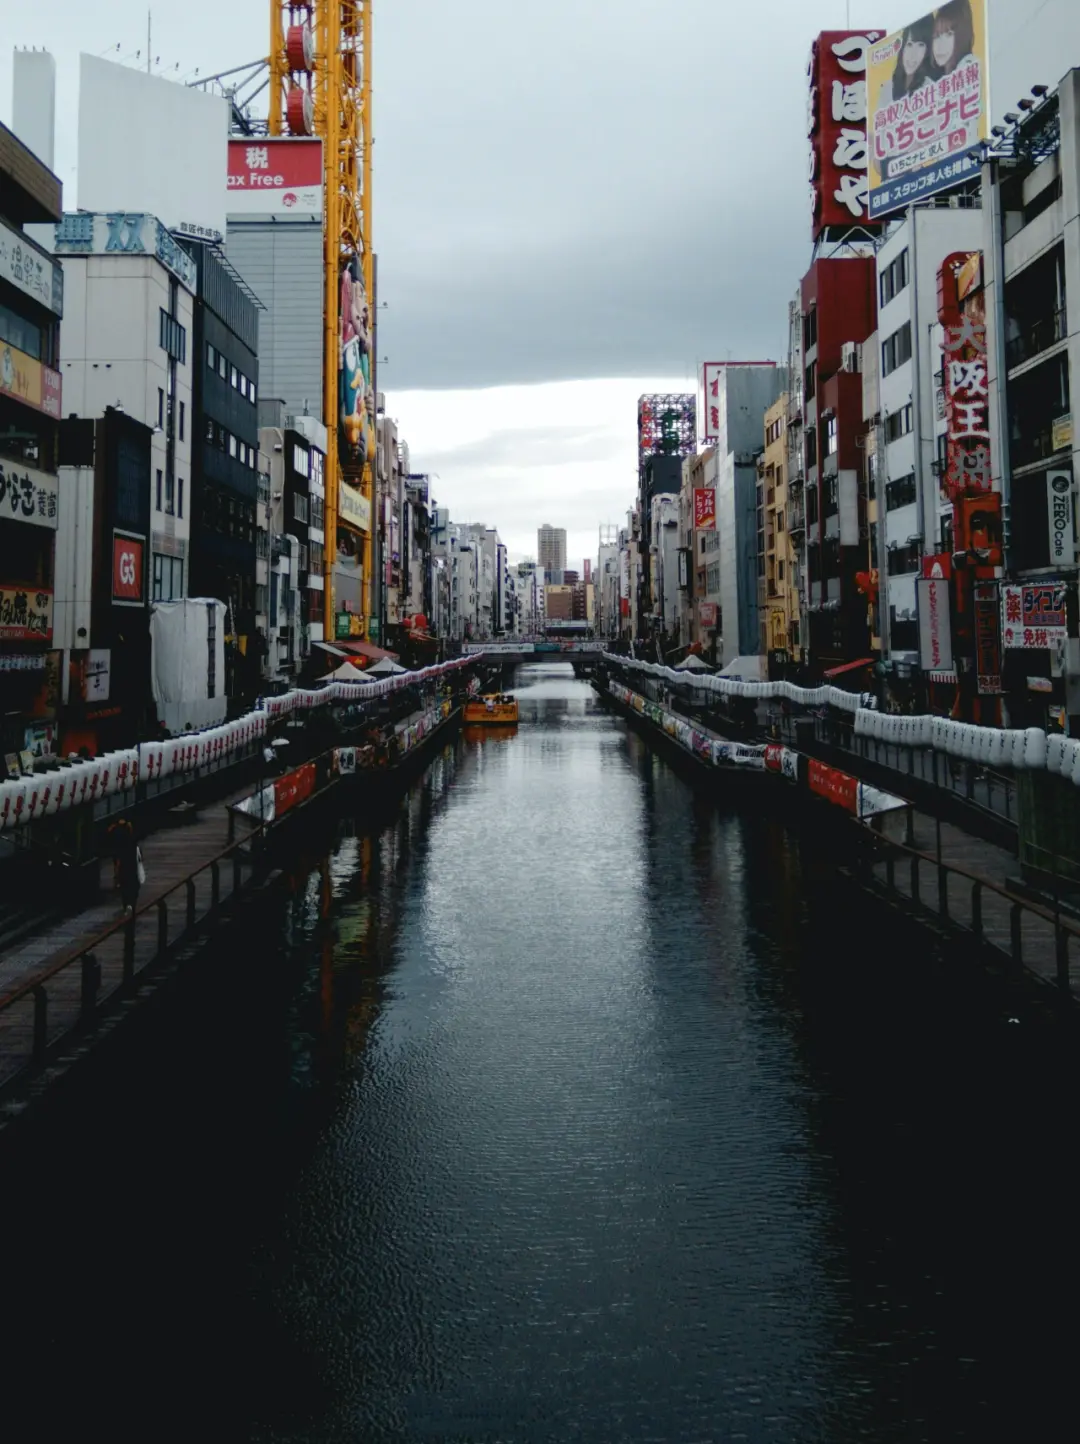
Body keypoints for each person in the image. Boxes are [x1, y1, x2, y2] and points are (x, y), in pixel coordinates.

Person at [930, 0, 976, 78]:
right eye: (937, 36)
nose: (940, 46)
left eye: (948, 35)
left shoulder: (968, 67)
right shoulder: (936, 80)